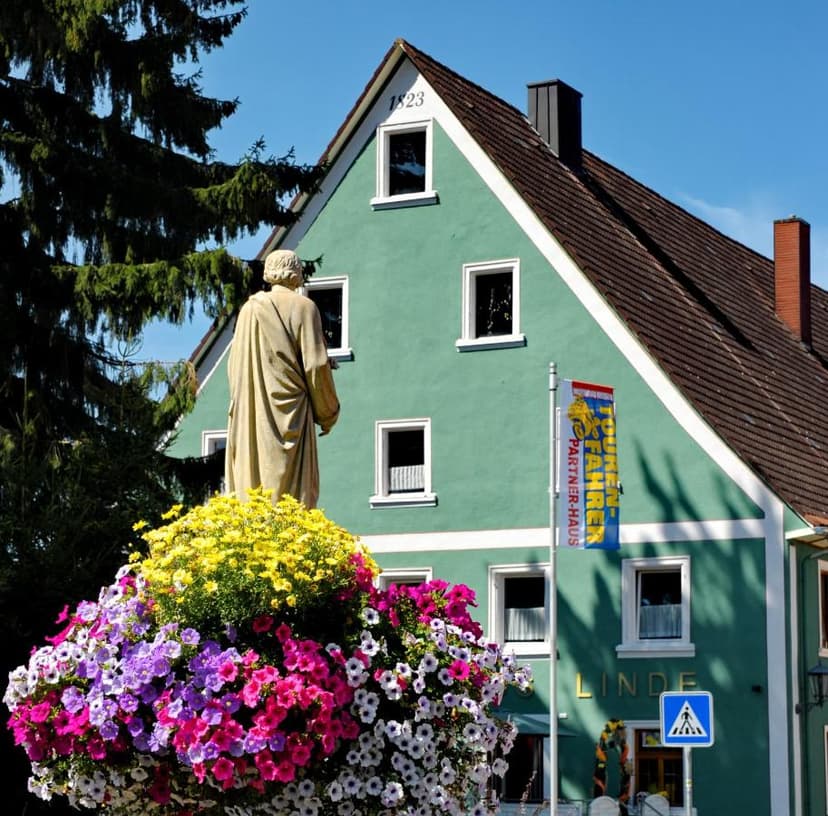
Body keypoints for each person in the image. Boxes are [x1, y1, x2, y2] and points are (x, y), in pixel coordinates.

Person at [225, 249, 340, 508]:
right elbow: (316, 366)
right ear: (296, 274)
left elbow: (235, 367)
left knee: (255, 491)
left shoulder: (248, 310)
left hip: (252, 416)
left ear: (268, 274)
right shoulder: (305, 307)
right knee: (291, 502)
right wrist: (329, 413)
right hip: (293, 415)